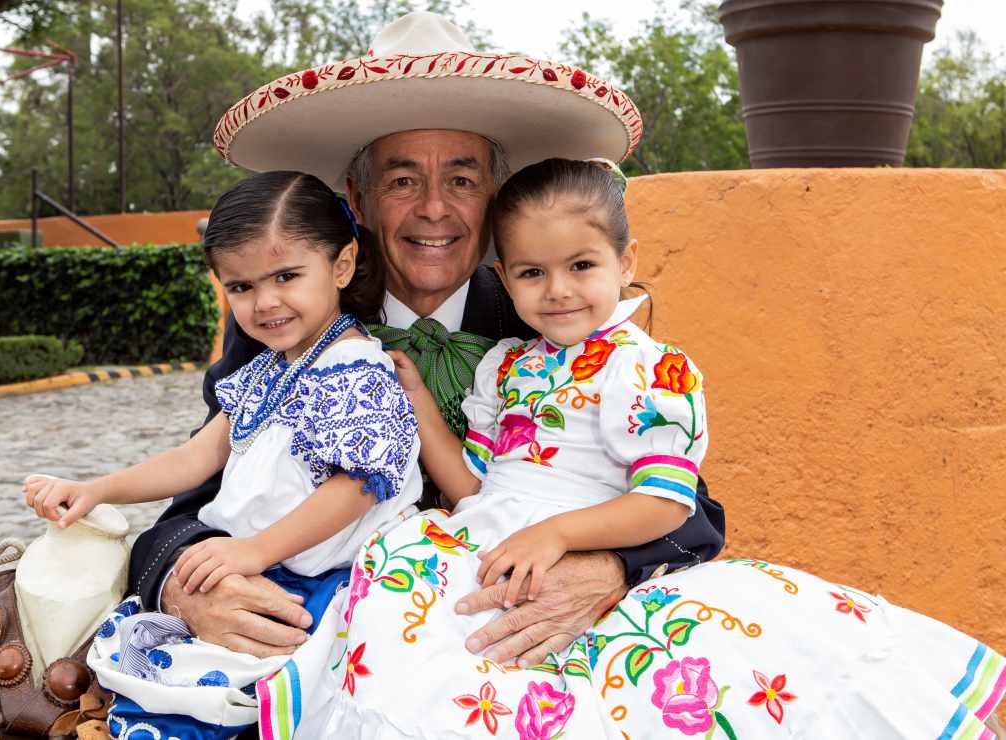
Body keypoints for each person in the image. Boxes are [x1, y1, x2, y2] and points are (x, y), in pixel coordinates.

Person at [259, 158, 1006, 739]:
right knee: (426, 656)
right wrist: (420, 404)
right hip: (486, 537)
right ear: (504, 278)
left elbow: (667, 499)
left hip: (584, 539)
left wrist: (557, 535)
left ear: (626, 258)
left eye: (581, 266)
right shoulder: (507, 365)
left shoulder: (650, 367)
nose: (557, 290)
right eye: (531, 273)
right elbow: (472, 487)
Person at [127, 12, 726, 683]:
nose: (435, 209)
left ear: (493, 201)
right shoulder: (287, 323)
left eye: (463, 180)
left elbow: (692, 511)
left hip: (508, 645)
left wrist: (608, 567)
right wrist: (186, 583)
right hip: (321, 643)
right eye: (403, 179)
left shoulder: (560, 321)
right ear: (360, 199)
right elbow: (188, 504)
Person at [23, 171, 424, 737]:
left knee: (212, 713)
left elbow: (357, 486)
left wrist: (254, 550)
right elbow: (195, 457)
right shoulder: (267, 368)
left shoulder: (355, 369)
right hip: (248, 567)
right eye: (241, 287)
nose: (265, 303)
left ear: (341, 264)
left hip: (310, 584)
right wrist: (98, 488)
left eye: (286, 276)